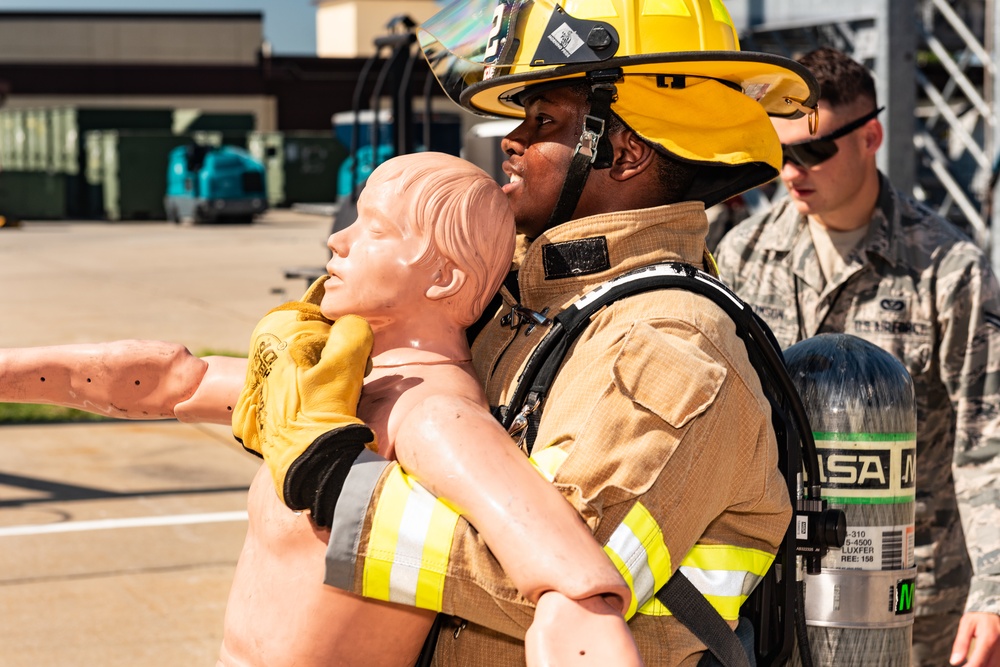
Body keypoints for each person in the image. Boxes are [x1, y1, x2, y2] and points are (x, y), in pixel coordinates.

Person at [243, 0, 823, 664]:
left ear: (626, 151)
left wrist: (331, 480)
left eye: (543, 118)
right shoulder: (538, 302)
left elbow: (562, 576)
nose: (510, 139)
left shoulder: (666, 346)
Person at [0, 151, 638, 667]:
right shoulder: (337, 389)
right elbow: (172, 380)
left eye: (375, 230)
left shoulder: (429, 415)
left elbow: (573, 584)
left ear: (442, 278)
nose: (339, 238)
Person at [714, 46, 1000, 667]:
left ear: (871, 136)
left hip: (909, 605)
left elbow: (988, 441)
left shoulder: (947, 270)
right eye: (779, 153)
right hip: (779, 593)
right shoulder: (742, 255)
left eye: (813, 150)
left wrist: (995, 591)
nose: (792, 172)